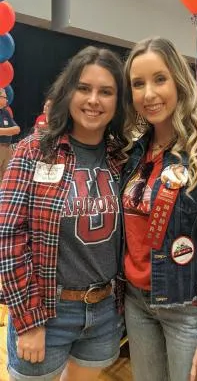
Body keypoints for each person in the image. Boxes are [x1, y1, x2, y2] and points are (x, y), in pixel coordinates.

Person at [0, 46, 130, 381]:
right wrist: (29, 321)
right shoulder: (35, 150)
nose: (93, 100)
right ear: (67, 91)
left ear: (118, 101)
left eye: (106, 91)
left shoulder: (122, 159)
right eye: (84, 88)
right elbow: (8, 236)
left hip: (103, 312)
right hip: (45, 311)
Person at [120, 37, 197, 381]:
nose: (149, 93)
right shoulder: (134, 152)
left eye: (160, 79)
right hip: (136, 301)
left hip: (188, 308)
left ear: (179, 80)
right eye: (138, 84)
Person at [0, 87, 20, 183]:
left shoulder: (5, 112)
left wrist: (3, 131)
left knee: (7, 177)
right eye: (4, 97)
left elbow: (17, 129)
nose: (7, 100)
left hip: (7, 148)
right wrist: (9, 131)